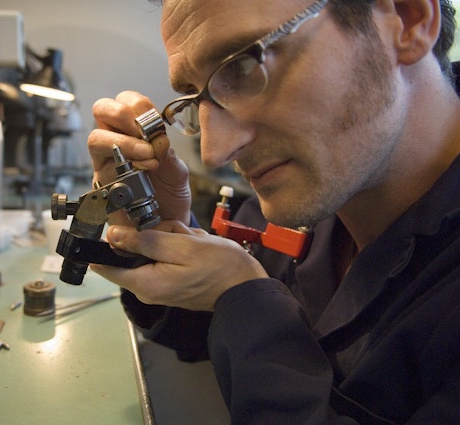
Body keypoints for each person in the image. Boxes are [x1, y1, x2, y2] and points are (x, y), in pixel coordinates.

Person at [86, 0, 460, 423]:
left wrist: (244, 298)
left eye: (242, 67)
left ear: (408, 20)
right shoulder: (318, 187)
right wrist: (155, 226)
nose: (214, 152)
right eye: (196, 100)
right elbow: (205, 333)